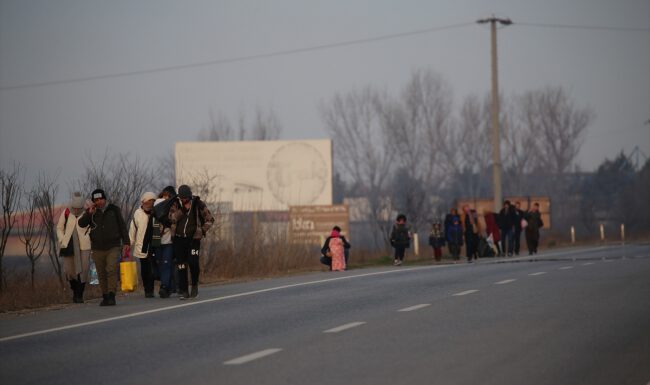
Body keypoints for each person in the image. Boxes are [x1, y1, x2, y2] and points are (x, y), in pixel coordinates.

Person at [78, 189, 130, 306]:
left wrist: (126, 242)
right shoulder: (92, 212)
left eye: (101, 199)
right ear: (93, 202)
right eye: (96, 200)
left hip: (113, 246)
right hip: (97, 248)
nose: (99, 201)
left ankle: (112, 295)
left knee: (111, 269)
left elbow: (122, 225)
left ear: (105, 199)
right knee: (101, 273)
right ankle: (105, 296)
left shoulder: (114, 209)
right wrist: (89, 213)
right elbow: (81, 224)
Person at [169, 184, 215, 299]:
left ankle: (194, 285)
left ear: (190, 196)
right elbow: (171, 218)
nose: (185, 200)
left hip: (194, 239)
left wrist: (202, 231)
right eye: (182, 198)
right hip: (179, 239)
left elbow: (210, 219)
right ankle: (184, 290)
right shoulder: (175, 204)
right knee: (181, 265)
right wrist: (183, 210)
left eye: (186, 198)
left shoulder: (198, 203)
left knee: (193, 263)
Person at [56, 192, 92, 303]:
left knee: (83, 270)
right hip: (68, 245)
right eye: (75, 208)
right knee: (70, 271)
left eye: (79, 208)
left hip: (84, 246)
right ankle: (75, 290)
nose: (76, 210)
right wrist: (62, 239)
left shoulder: (87, 213)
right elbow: (59, 228)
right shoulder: (66, 212)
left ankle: (79, 294)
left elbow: (92, 227)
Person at [129, 191, 158, 298]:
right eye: (149, 201)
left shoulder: (156, 212)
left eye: (153, 201)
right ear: (144, 201)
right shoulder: (137, 213)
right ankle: (147, 289)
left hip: (154, 245)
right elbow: (133, 229)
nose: (151, 203)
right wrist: (129, 243)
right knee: (145, 269)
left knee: (152, 268)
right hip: (141, 246)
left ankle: (152, 288)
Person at [151, 186, 176, 298]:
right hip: (157, 241)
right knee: (162, 265)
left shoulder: (172, 206)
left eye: (167, 196)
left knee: (166, 264)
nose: (165, 198)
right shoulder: (157, 206)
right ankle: (169, 286)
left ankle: (164, 287)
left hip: (168, 242)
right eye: (163, 196)